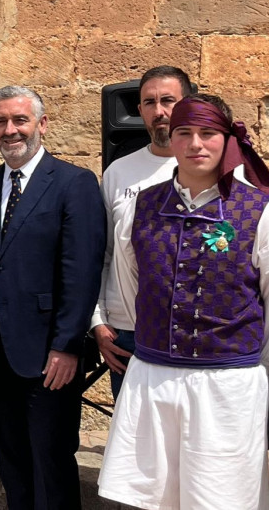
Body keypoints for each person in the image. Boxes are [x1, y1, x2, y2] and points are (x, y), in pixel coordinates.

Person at [98, 94, 269, 510]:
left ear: (227, 140)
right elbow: (132, 290)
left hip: (227, 386)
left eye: (208, 133)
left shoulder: (264, 214)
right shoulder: (141, 208)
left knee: (222, 499)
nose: (195, 143)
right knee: (151, 498)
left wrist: (251, 364)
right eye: (184, 132)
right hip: (152, 377)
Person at [0, 86, 105, 509]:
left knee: (51, 464)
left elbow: (81, 273)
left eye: (19, 120)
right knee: (13, 465)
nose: (10, 130)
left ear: (41, 124)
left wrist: (67, 345)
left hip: (49, 356)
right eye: (0, 121)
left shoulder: (73, 183)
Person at [90, 66, 194, 399]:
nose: (160, 111)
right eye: (150, 102)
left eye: (168, 101)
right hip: (128, 334)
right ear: (140, 111)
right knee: (135, 445)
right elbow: (103, 253)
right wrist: (99, 322)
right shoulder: (119, 172)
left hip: (195, 335)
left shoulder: (216, 169)